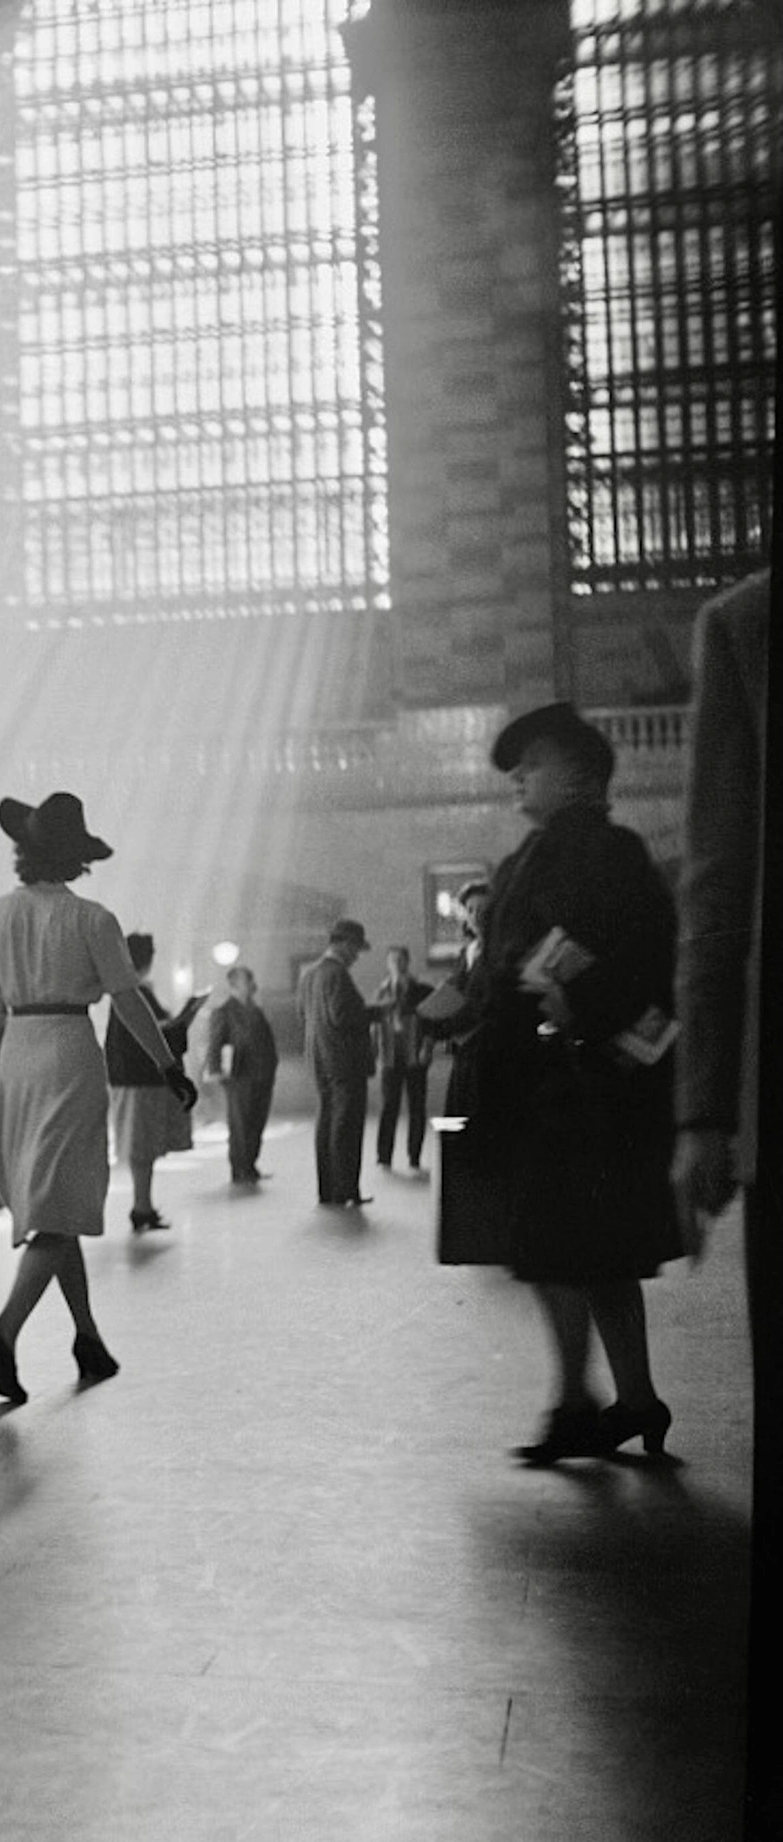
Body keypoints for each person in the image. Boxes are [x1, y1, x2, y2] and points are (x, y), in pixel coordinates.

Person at [470, 702, 685, 1464]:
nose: (519, 776)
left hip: (574, 1092)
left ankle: (574, 1403)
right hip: (569, 1089)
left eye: (535, 763)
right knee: (601, 1259)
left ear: (583, 774)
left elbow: (649, 962)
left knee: (554, 1252)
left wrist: (579, 1004)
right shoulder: (545, 857)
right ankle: (637, 1401)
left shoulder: (599, 854)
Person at [0, 794, 194, 1405]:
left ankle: (87, 1337)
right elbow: (128, 1000)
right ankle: (4, 1330)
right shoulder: (93, 919)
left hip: (16, 1055)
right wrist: (168, 1064)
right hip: (69, 1053)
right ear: (76, 858)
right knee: (60, 1205)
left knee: (53, 1200)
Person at [667, 569, 770, 1830]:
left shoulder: (744, 627)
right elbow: (714, 895)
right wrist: (701, 1106)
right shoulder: (743, 627)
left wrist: (702, 1112)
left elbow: (713, 890)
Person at [104, 931, 200, 1233]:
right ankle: (141, 1206)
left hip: (132, 1078)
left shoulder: (132, 991)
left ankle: (143, 1205)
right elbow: (149, 1033)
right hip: (139, 1079)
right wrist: (177, 1024)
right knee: (141, 1148)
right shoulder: (133, 992)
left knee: (142, 1148)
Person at [298, 918, 377, 1208]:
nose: (356, 956)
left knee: (327, 1123)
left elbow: (302, 1015)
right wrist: (376, 1013)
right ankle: (346, 1189)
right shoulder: (337, 974)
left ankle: (328, 1190)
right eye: (355, 948)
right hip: (345, 1062)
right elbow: (342, 1016)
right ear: (344, 944)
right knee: (347, 1126)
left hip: (319, 1060)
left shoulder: (309, 975)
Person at [206, 963, 279, 1184]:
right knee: (240, 1123)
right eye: (248, 981)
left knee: (257, 1120)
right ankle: (240, 1167)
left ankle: (250, 1164)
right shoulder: (224, 1012)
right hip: (239, 1076)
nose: (253, 985)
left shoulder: (257, 1010)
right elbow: (215, 1043)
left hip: (262, 1074)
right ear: (235, 985)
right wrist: (216, 1070)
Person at [372, 945, 435, 1172]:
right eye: (393, 960)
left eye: (401, 960)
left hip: (414, 1053)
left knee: (416, 1106)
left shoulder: (422, 990)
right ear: (387, 964)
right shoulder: (382, 991)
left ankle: (414, 1156)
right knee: (388, 1106)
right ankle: (384, 1156)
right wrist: (374, 1050)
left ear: (407, 962)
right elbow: (375, 1024)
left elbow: (431, 1022)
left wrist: (427, 1046)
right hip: (390, 1055)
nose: (397, 964)